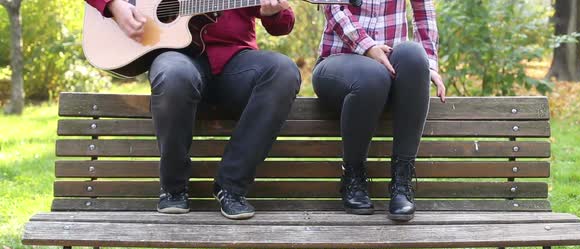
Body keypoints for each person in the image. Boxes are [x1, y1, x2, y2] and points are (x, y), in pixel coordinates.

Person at [86, 0, 301, 219]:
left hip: (235, 61)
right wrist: (114, 5)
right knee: (173, 74)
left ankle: (231, 187)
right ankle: (173, 188)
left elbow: (282, 25)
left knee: (282, 71)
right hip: (177, 57)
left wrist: (274, 12)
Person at [312, 0, 446, 221]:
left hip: (391, 66)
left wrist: (428, 65)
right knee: (372, 75)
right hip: (338, 62)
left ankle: (402, 183)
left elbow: (424, 12)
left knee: (414, 55)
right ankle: (353, 177)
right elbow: (335, 9)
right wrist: (368, 46)